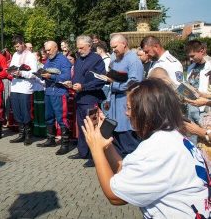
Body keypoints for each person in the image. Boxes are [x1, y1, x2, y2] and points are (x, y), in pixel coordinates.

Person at [82, 79, 211, 218]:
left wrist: (95, 149)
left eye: (129, 108)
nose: (126, 113)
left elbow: (115, 196)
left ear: (146, 111)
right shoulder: (171, 136)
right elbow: (126, 172)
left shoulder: (157, 149)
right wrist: (106, 145)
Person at [67, 35, 107, 166]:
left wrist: (83, 87)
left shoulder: (96, 59)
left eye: (81, 48)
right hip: (79, 99)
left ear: (89, 46)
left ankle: (94, 156)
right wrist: (70, 83)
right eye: (78, 48)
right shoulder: (79, 59)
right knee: (82, 126)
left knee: (93, 128)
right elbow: (78, 77)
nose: (78, 50)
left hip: (91, 98)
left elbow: (101, 80)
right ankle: (83, 152)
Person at [107, 34, 144, 158]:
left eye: (115, 47)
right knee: (117, 143)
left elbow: (135, 82)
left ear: (124, 43)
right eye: (112, 48)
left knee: (129, 144)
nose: (113, 50)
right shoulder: (115, 58)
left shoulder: (133, 60)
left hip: (125, 105)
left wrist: (115, 84)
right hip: (114, 106)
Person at [36, 41, 72, 153]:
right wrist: (41, 75)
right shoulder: (48, 60)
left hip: (59, 92)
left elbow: (66, 76)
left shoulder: (63, 60)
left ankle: (65, 144)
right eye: (46, 50)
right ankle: (50, 139)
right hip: (49, 92)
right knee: (48, 117)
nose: (47, 52)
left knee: (62, 118)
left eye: (49, 50)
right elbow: (45, 73)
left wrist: (51, 76)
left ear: (56, 48)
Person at [8, 35, 38, 146]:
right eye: (15, 47)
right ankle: (21, 134)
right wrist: (11, 71)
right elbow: (11, 67)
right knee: (17, 111)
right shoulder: (15, 55)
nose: (16, 49)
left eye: (17, 46)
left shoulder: (31, 56)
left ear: (22, 43)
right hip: (15, 86)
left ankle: (28, 135)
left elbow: (34, 73)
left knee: (26, 111)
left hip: (25, 87)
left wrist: (21, 73)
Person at [185, 40, 211, 124]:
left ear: (202, 51)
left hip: (205, 109)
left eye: (193, 56)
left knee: (205, 135)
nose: (190, 59)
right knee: (192, 135)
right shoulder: (191, 67)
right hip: (191, 108)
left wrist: (204, 95)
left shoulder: (209, 66)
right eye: (189, 56)